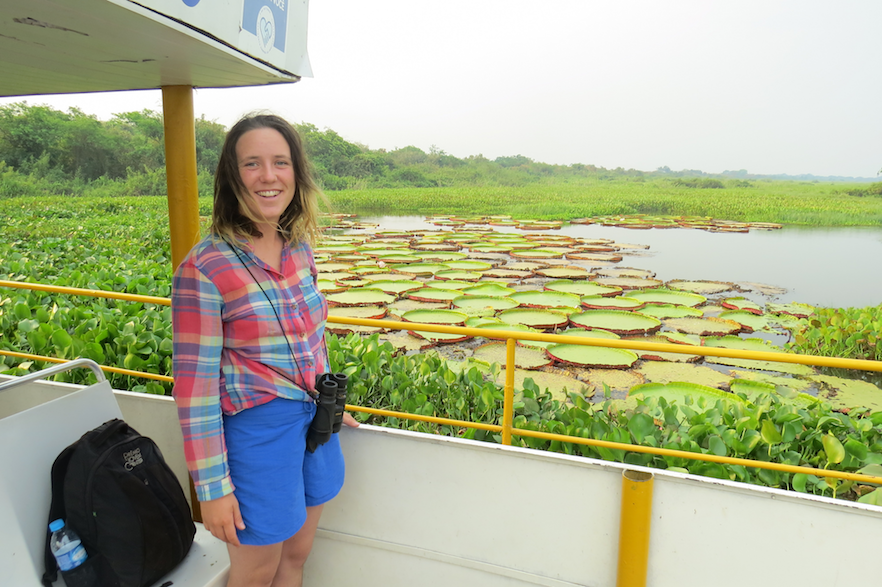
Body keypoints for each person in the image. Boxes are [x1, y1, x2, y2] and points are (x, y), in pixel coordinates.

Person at [171, 113, 358, 587]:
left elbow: (311, 339)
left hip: (316, 421)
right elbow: (194, 393)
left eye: (280, 162)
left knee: (296, 555)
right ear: (232, 177)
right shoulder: (205, 268)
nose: (269, 176)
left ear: (296, 172)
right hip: (257, 435)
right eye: (252, 164)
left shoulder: (299, 247)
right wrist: (212, 490)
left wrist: (333, 403)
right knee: (256, 573)